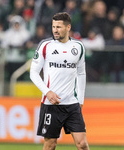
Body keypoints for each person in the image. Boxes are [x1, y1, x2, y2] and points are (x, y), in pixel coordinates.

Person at [30, 12, 89, 150]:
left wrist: (80, 100)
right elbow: (33, 73)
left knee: (82, 144)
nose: (55, 30)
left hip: (72, 104)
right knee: (50, 144)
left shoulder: (78, 46)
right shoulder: (45, 45)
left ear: (68, 27)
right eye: (53, 26)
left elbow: (81, 73)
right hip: (51, 103)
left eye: (59, 27)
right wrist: (47, 92)